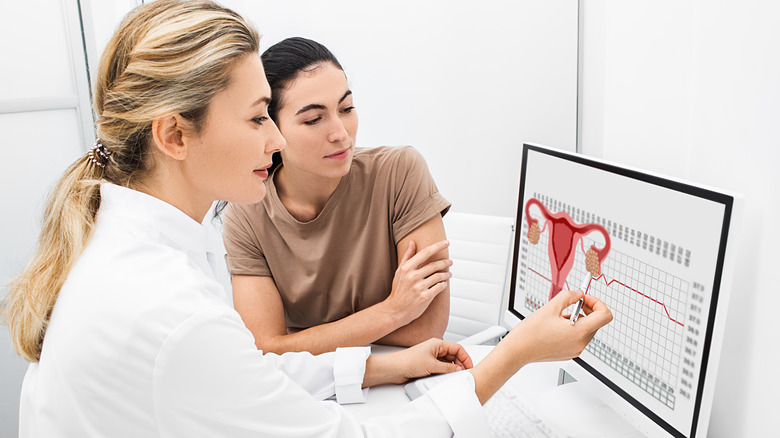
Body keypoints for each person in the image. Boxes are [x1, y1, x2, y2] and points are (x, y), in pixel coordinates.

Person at [1, 1, 612, 436]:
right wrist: (520, 351)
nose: (275, 139)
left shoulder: (129, 247)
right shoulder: (170, 311)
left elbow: (251, 368)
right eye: (258, 117)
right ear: (174, 135)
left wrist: (386, 363)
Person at [222, 37, 453, 355]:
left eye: (346, 108)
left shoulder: (399, 172)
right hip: (315, 389)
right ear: (272, 129)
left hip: (404, 374)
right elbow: (265, 349)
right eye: (314, 119)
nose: (341, 134)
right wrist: (393, 311)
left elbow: (426, 330)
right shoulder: (247, 212)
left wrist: (299, 338)